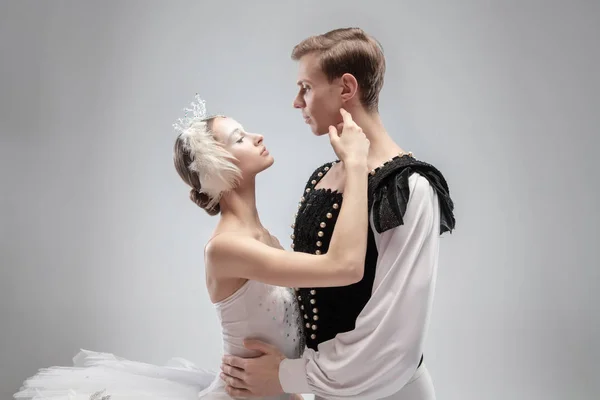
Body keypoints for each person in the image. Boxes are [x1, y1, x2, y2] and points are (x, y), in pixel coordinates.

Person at [13, 95, 371, 400]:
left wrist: (290, 387)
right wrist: (355, 164)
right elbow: (342, 268)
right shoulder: (227, 248)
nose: (257, 136)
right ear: (219, 164)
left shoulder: (264, 237)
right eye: (240, 138)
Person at [220, 28, 456, 400]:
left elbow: (394, 336)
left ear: (346, 88)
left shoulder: (408, 188)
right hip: (331, 389)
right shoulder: (325, 175)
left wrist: (287, 376)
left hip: (389, 392)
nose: (297, 102)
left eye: (306, 88)